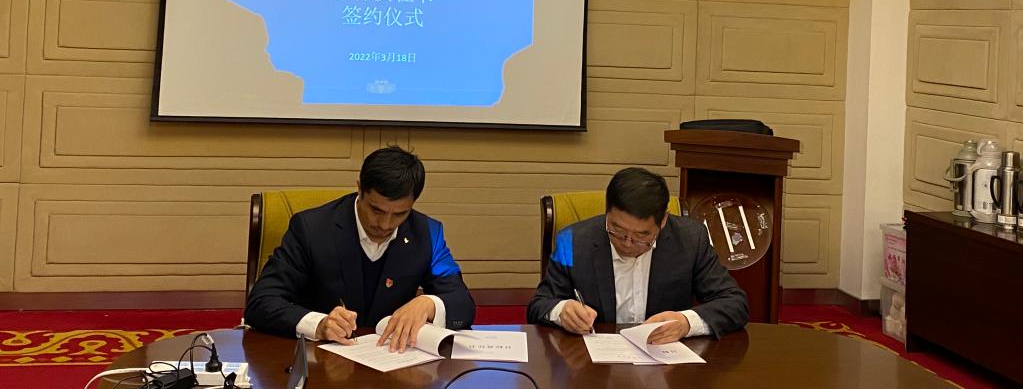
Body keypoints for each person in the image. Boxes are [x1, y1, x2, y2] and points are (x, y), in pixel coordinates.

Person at [245, 145, 475, 350]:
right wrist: (319, 324)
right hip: (321, 358)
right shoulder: (311, 229)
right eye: (376, 210)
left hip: (392, 358)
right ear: (359, 189)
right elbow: (261, 302)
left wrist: (429, 304)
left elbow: (462, 302)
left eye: (400, 214)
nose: (385, 224)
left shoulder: (427, 233)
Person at [527, 167, 748, 341]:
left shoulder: (690, 239)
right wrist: (562, 311)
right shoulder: (574, 241)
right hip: (594, 363)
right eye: (617, 230)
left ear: (663, 221)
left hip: (664, 363)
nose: (627, 243)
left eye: (642, 235)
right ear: (607, 212)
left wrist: (686, 322)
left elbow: (734, 303)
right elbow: (539, 305)